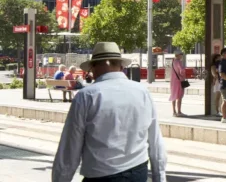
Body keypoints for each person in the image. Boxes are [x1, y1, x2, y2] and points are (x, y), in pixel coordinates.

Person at [51, 41, 166, 182]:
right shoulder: (142, 92)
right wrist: (159, 177)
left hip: (101, 175)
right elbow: (155, 140)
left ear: (94, 67)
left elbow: (70, 149)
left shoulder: (86, 96)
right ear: (121, 66)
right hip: (138, 172)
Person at [169, 51, 187, 118]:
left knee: (173, 95)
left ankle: (174, 112)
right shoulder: (179, 62)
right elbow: (181, 71)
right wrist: (183, 73)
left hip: (173, 81)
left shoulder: (173, 61)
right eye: (181, 54)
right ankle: (179, 111)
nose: (182, 55)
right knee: (179, 96)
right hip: (179, 81)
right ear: (178, 55)